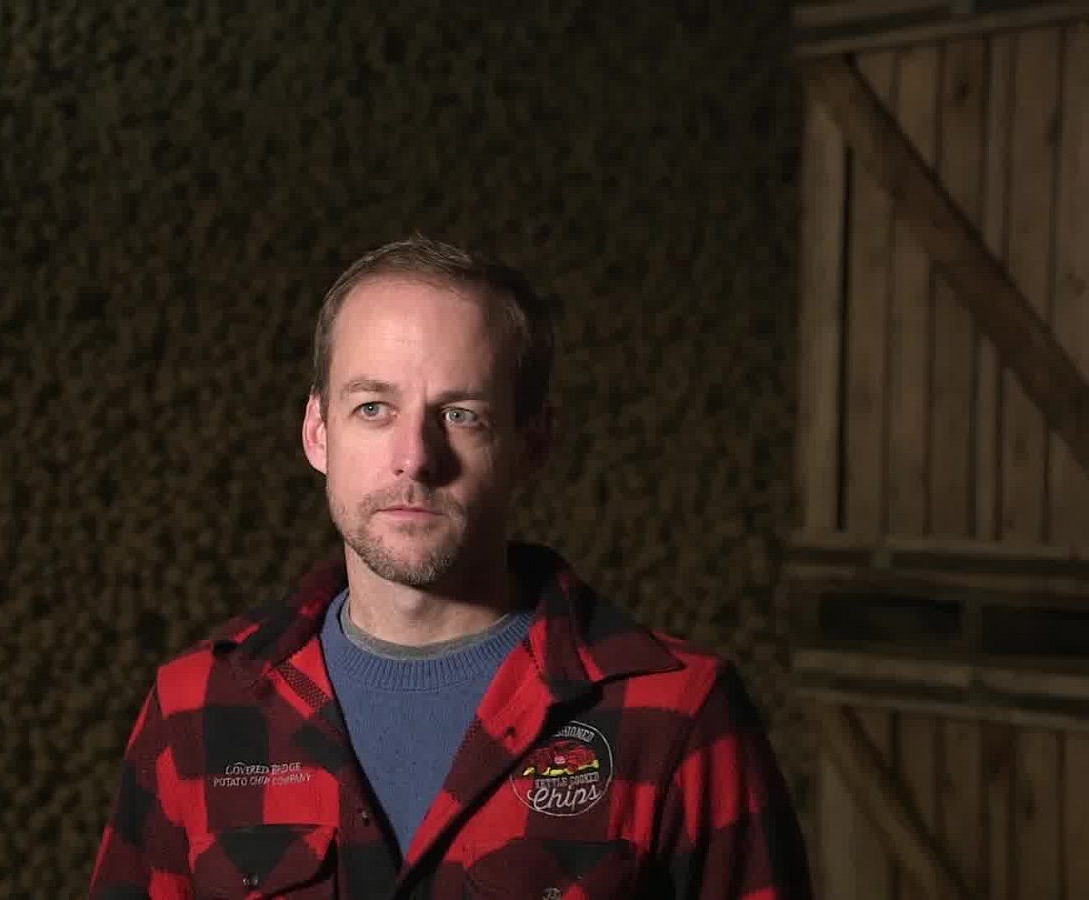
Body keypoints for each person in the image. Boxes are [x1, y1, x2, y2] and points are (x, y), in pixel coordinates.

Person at [88, 237, 812, 898]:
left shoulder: (676, 717)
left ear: (534, 445)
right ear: (317, 432)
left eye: (461, 415)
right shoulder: (199, 708)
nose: (415, 457)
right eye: (374, 408)